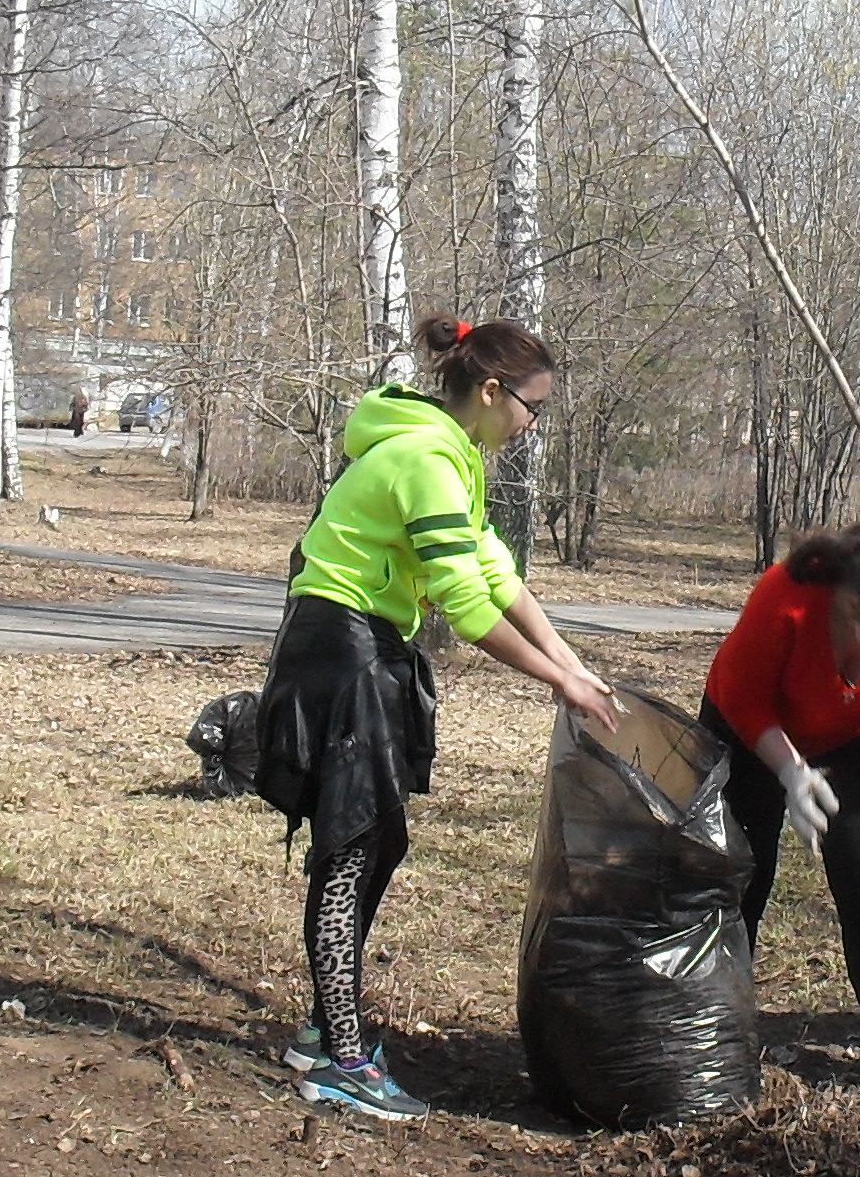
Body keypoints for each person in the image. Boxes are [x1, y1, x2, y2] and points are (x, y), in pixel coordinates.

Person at [255, 314, 617, 1123]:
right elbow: (465, 608)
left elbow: (496, 571)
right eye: (532, 407)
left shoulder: (452, 459)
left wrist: (573, 662)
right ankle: (339, 1056)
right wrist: (559, 683)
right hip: (339, 650)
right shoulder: (425, 458)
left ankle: (327, 1034)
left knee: (380, 840)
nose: (532, 425)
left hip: (372, 644)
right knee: (350, 848)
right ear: (491, 392)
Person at [704, 527, 860, 1079]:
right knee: (740, 872)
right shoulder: (789, 598)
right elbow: (740, 693)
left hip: (859, 738)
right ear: (849, 610)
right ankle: (714, 1037)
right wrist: (791, 772)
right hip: (752, 727)